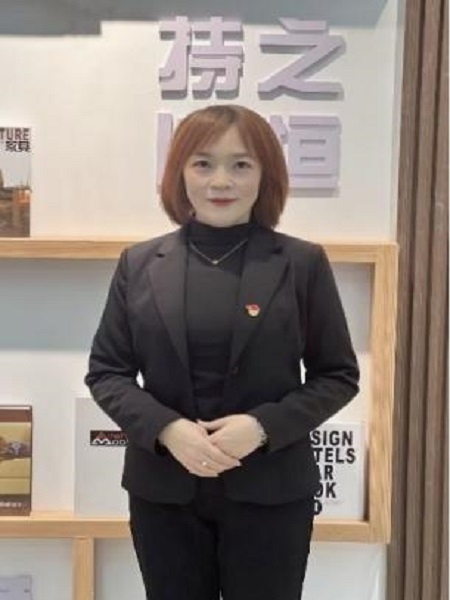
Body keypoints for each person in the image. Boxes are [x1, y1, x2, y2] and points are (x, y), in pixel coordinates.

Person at [85, 104, 359, 600]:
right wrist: (168, 430)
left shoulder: (302, 263)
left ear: (265, 175)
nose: (220, 181)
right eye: (203, 163)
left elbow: (337, 375)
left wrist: (262, 427)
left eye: (241, 164)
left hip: (272, 491)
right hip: (164, 492)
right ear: (180, 173)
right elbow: (107, 372)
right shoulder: (139, 263)